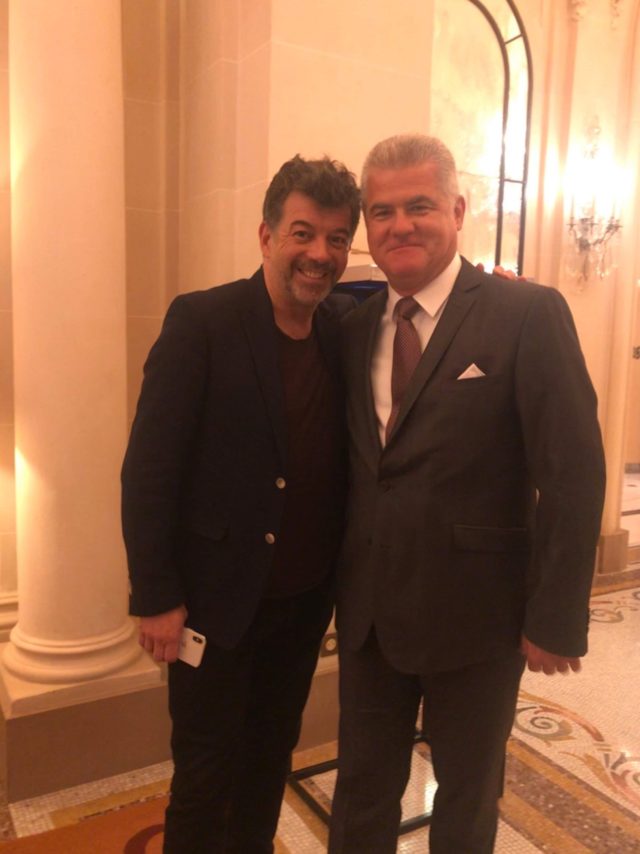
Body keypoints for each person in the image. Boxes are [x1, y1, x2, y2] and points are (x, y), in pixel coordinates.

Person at [328, 134, 606, 854]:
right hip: (370, 618)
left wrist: (555, 615)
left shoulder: (526, 313)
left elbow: (572, 473)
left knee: (466, 800)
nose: (400, 225)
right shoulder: (353, 328)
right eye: (382, 211)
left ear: (456, 210)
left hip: (479, 618)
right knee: (360, 794)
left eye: (419, 206)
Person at [121, 155, 360, 853]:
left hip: (302, 608)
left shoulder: (342, 329)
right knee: (205, 777)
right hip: (213, 609)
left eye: (337, 238)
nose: (320, 254)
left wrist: (495, 288)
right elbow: (149, 470)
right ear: (266, 235)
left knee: (268, 763)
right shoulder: (203, 321)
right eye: (303, 233)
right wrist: (155, 596)